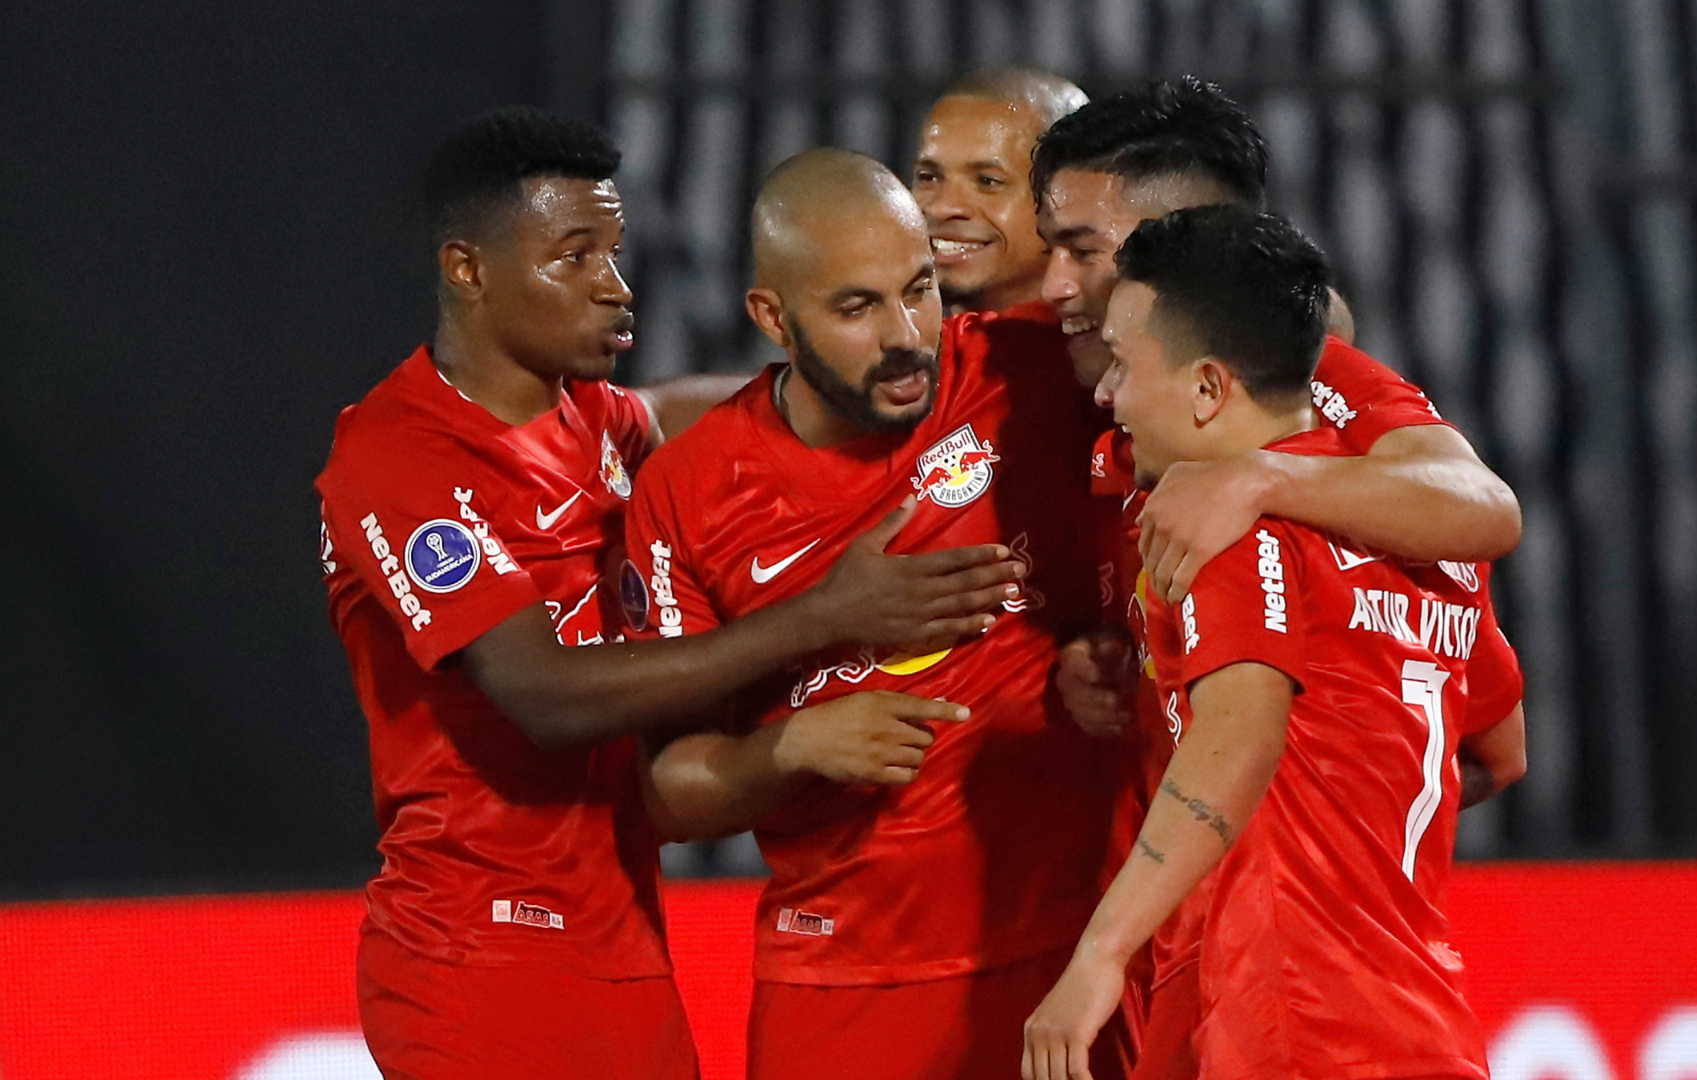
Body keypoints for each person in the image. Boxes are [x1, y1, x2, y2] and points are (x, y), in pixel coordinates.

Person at [315, 108, 1020, 1080]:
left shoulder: (596, 426)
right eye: (575, 259)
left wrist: (877, 372)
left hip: (622, 942)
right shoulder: (400, 456)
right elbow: (543, 696)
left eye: (615, 251)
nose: (617, 288)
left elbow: (721, 410)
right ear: (468, 270)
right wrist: (823, 618)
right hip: (477, 949)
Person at [624, 148, 1120, 1080]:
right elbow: (670, 792)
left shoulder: (1020, 374)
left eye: (920, 289)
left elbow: (1284, 346)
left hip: (1071, 957)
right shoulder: (689, 494)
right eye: (856, 308)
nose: (907, 335)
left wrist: (1110, 644)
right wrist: (797, 745)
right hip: (843, 987)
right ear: (773, 318)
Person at [1024, 205, 1528, 1080]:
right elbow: (1500, 749)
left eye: (1124, 365)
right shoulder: (1427, 538)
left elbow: (1239, 737)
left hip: (1293, 1011)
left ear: (1211, 387)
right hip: (1415, 1011)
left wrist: (1102, 950)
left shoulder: (1225, 521)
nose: (1107, 396)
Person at [1030, 78, 1522, 605]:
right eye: (1049, 250)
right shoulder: (1039, 352)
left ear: (1185, 238)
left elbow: (1486, 506)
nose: (1053, 287)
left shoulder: (1293, 363)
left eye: (1082, 251)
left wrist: (1257, 478)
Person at [911, 66, 1088, 319]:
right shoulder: (889, 352)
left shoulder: (1124, 355)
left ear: (1071, 198)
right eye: (928, 177)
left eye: (988, 182)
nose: (942, 207)